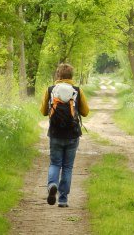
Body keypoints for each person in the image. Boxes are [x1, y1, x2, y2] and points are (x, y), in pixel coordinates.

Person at [40, 63, 89, 207]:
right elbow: (85, 112)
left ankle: (52, 185)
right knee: (67, 167)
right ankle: (63, 200)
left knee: (55, 163)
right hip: (72, 135)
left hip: (55, 133)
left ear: (58, 75)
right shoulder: (77, 90)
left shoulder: (50, 90)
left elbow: (43, 111)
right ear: (71, 76)